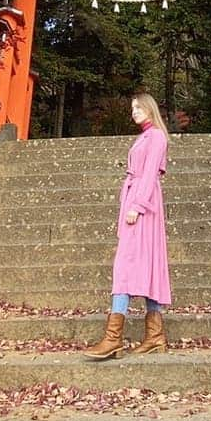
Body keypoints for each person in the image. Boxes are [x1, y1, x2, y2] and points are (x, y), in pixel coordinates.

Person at [84, 93, 172, 359]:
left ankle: (113, 339)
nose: (134, 112)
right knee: (145, 267)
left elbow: (149, 175)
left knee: (125, 268)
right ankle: (155, 336)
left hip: (143, 206)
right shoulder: (145, 136)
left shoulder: (156, 136)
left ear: (149, 109)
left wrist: (136, 206)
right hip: (138, 203)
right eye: (132, 108)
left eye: (138, 107)